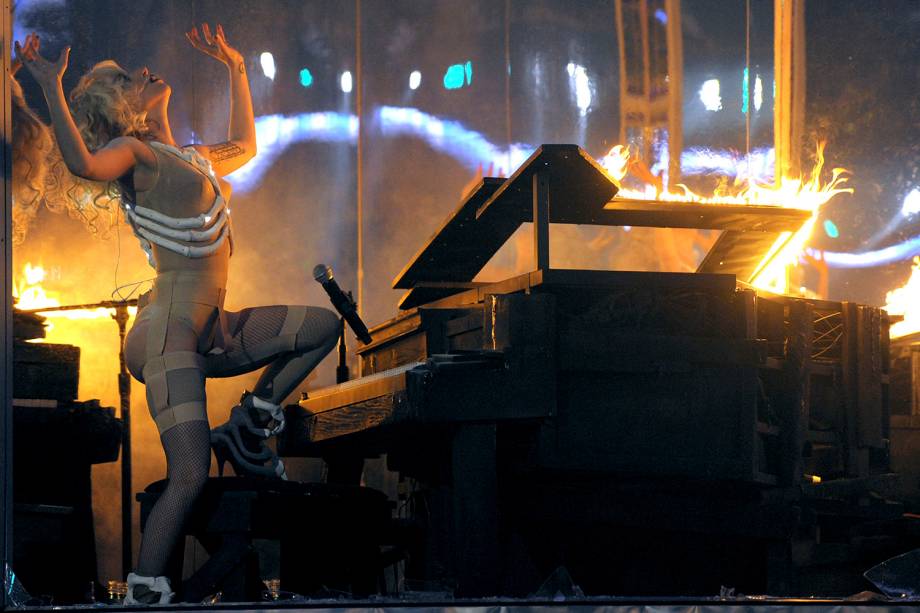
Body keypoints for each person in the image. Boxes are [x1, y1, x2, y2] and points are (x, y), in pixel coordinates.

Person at [16, 25, 341, 604]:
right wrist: (51, 88)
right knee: (189, 475)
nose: (145, 74)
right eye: (128, 79)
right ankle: (146, 588)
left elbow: (246, 145)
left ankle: (251, 420)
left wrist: (235, 67)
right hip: (168, 335)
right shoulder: (134, 154)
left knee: (323, 327)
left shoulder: (185, 156)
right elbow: (87, 165)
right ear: (124, 109)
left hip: (215, 329)